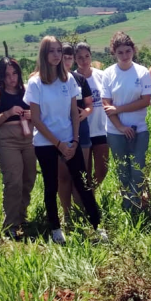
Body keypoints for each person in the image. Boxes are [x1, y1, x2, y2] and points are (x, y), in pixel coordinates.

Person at [25, 36, 105, 244]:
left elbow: (73, 112)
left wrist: (75, 141)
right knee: (51, 185)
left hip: (70, 141)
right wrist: (58, 144)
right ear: (44, 54)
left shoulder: (68, 79)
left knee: (83, 184)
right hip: (45, 143)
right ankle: (55, 228)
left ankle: (97, 226)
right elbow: (36, 119)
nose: (56, 55)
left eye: (59, 51)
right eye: (51, 51)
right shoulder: (35, 83)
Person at [0, 57, 36, 237]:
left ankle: (22, 216)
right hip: (7, 139)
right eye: (7, 75)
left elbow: (41, 112)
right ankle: (10, 224)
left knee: (29, 179)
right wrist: (7, 113)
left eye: (14, 73)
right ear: (1, 76)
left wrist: (32, 114)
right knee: (13, 181)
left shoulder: (28, 90)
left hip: (29, 136)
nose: (12, 78)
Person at [102, 31, 151, 211]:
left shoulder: (142, 72)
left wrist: (120, 109)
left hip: (139, 129)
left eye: (128, 51)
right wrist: (121, 127)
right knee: (123, 171)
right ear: (114, 53)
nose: (125, 56)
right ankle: (128, 208)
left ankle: (136, 206)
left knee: (138, 171)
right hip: (116, 131)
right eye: (120, 52)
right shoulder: (108, 74)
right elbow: (106, 103)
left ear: (133, 50)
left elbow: (146, 100)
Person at [59, 43, 93, 218]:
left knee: (81, 174)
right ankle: (66, 213)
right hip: (60, 133)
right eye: (64, 58)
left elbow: (89, 105)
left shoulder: (80, 79)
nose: (66, 61)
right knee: (63, 176)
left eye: (69, 58)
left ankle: (81, 213)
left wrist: (84, 113)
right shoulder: (50, 81)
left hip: (82, 131)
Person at [74, 42, 109, 187]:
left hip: (101, 129)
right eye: (80, 57)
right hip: (83, 131)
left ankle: (91, 193)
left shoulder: (102, 76)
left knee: (102, 170)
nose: (84, 60)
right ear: (75, 59)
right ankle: (88, 202)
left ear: (91, 56)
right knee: (85, 171)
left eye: (87, 56)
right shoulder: (72, 78)